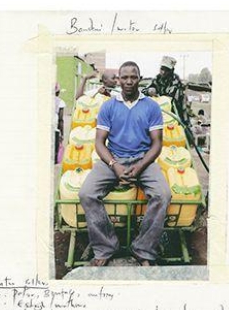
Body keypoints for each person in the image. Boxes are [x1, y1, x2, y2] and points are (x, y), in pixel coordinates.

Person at [79, 61, 170, 267]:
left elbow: (157, 143)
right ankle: (105, 246)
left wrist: (139, 167)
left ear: (140, 78)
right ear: (118, 80)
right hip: (114, 158)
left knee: (163, 194)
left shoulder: (151, 106)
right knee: (87, 193)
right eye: (125, 77)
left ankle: (143, 248)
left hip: (144, 159)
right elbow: (99, 143)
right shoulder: (108, 106)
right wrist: (114, 165)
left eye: (133, 77)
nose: (129, 81)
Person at [143, 55, 189, 126]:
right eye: (162, 69)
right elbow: (143, 91)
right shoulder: (157, 79)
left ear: (172, 70)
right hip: (157, 116)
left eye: (166, 70)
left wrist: (184, 123)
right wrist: (148, 91)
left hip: (172, 118)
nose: (163, 72)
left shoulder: (176, 83)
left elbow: (181, 106)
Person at [54, 83, 66, 163]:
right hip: (54, 127)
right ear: (58, 92)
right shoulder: (60, 102)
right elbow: (61, 120)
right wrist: (62, 134)